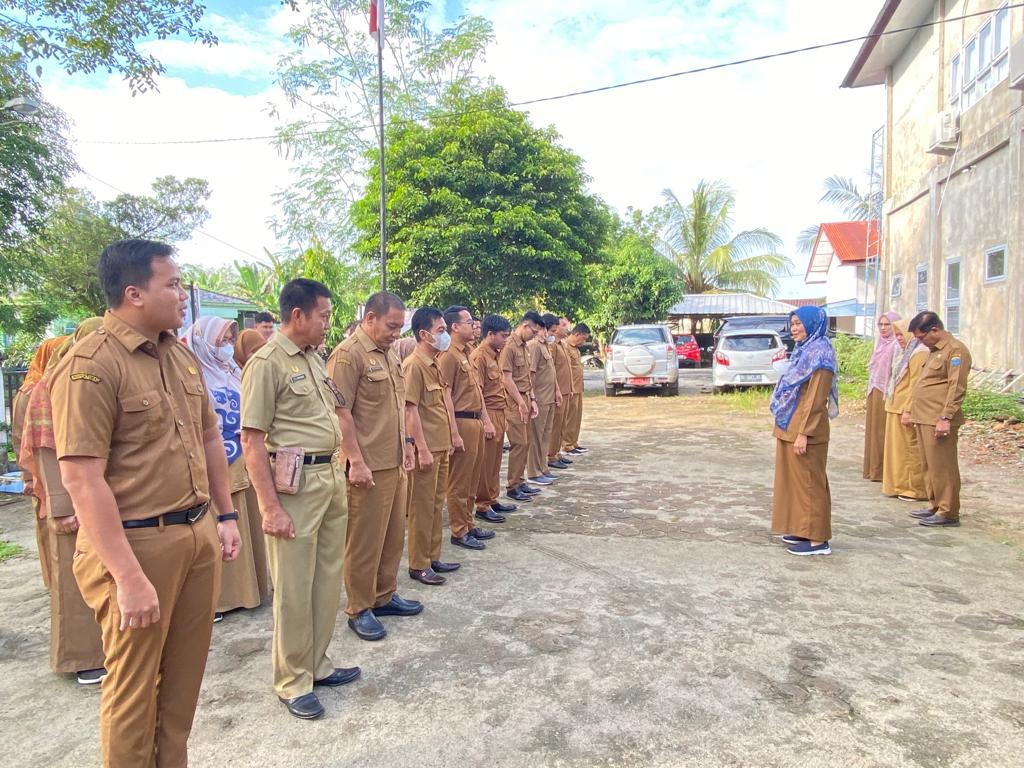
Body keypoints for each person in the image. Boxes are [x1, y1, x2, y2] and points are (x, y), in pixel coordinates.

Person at [50, 239, 241, 766]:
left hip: (196, 533)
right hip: (136, 546)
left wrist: (224, 516)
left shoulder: (176, 354)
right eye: (173, 284)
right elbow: (82, 479)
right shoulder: (91, 364)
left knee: (182, 687)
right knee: (134, 692)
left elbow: (208, 440)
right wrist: (129, 579)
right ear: (134, 293)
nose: (183, 295)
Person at [241, 279, 356, 720]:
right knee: (292, 586)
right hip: (294, 484)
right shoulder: (266, 363)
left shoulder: (315, 358)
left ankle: (317, 664)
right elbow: (252, 441)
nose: (328, 324)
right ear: (298, 316)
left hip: (329, 475)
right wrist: (269, 508)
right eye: (324, 316)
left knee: (327, 579)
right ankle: (292, 681)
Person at [327, 292, 421, 643]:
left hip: (394, 459)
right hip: (368, 465)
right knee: (364, 540)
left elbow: (396, 408)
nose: (397, 333)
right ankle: (359, 607)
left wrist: (408, 445)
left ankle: (384, 595)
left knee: (393, 534)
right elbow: (341, 413)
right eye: (391, 325)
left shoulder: (390, 354)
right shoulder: (348, 356)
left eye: (400, 326)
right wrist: (356, 460)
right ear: (369, 318)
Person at [18, 319, 106, 685]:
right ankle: (82, 658)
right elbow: (47, 454)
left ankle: (103, 650)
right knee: (73, 585)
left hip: (93, 499)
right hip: (69, 503)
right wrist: (61, 507)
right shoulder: (46, 391)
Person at [185, 316, 269, 622]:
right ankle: (219, 600)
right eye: (220, 339)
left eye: (229, 339)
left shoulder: (232, 371)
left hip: (242, 460)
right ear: (204, 341)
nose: (226, 345)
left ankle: (250, 590)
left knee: (245, 521)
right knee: (221, 525)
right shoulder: (194, 377)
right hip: (215, 464)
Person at [769, 306, 839, 556]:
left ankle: (818, 540)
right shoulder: (804, 351)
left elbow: (816, 399)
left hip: (806, 430)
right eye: (793, 324)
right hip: (791, 425)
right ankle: (801, 528)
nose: (795, 329)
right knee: (796, 483)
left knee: (810, 483)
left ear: (813, 324)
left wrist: (804, 433)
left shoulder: (820, 354)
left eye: (799, 323)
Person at [402, 308, 460, 584]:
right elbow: (410, 411)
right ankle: (418, 563)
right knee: (421, 508)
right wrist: (421, 448)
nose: (445, 335)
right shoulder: (414, 365)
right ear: (424, 334)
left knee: (436, 505)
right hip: (427, 449)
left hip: (440, 446)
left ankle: (433, 556)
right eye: (440, 330)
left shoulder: (434, 363)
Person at [439, 305, 499, 547]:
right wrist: (453, 432)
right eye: (468, 322)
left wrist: (486, 420)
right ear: (454, 326)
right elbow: (446, 396)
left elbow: (478, 393)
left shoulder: (466, 353)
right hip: (461, 421)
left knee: (473, 479)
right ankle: (458, 530)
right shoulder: (448, 356)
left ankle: (469, 523)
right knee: (459, 482)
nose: (474, 326)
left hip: (474, 420)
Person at [11, 336, 68, 588]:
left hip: (63, 466)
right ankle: (52, 581)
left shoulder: (63, 385)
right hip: (40, 470)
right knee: (48, 528)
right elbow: (18, 436)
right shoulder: (29, 392)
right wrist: (27, 476)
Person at [907, 311, 972, 528]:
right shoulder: (933, 352)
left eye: (921, 337)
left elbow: (956, 387)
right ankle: (935, 505)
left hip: (939, 418)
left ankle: (948, 511)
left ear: (935, 330)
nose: (920, 342)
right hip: (924, 417)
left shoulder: (955, 351)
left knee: (943, 466)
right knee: (929, 465)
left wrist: (945, 417)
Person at [471, 315, 517, 519]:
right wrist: (487, 421)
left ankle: (492, 498)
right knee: (485, 463)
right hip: (487, 413)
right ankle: (482, 505)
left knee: (496, 461)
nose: (506, 340)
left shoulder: (496, 355)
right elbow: (478, 392)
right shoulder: (479, 356)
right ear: (490, 334)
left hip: (500, 412)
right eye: (503, 336)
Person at [882, 319, 929, 502]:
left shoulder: (919, 353)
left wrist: (909, 409)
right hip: (895, 406)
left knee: (910, 450)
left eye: (902, 334)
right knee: (897, 452)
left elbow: (916, 383)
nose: (899, 338)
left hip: (905, 408)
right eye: (897, 335)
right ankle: (897, 485)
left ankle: (914, 488)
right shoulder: (902, 353)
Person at [500, 311, 543, 502]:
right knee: (519, 444)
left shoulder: (525, 347)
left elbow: (526, 377)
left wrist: (532, 399)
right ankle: (512, 485)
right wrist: (520, 402)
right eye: (533, 331)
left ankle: (520, 480)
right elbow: (506, 378)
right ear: (525, 326)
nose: (534, 335)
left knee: (526, 442)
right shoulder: (509, 346)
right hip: (513, 402)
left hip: (525, 398)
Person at [863, 312, 902, 482]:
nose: (884, 328)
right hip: (874, 389)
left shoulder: (897, 345)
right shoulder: (879, 343)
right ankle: (872, 469)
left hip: (887, 392)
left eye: (887, 324)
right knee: (873, 431)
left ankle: (882, 471)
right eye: (881, 324)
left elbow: (895, 372)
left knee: (882, 432)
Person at [526, 313, 562, 486]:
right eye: (551, 330)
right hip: (539, 399)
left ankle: (543, 467)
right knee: (536, 437)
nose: (553, 334)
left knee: (545, 436)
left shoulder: (546, 346)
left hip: (549, 398)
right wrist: (532, 398)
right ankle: (533, 472)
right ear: (543, 329)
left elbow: (551, 372)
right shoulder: (534, 346)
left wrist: (557, 391)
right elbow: (531, 374)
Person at [546, 317, 574, 470]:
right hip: (558, 392)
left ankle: (556, 452)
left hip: (566, 390)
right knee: (555, 425)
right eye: (562, 325)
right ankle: (550, 455)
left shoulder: (562, 345)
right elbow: (552, 370)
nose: (565, 328)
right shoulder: (553, 345)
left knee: (562, 424)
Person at [562, 322, 591, 455]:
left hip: (578, 388)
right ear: (576, 334)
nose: (584, 341)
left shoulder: (576, 349)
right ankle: (567, 445)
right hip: (570, 388)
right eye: (583, 338)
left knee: (577, 418)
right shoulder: (565, 347)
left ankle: (573, 442)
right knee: (569, 418)